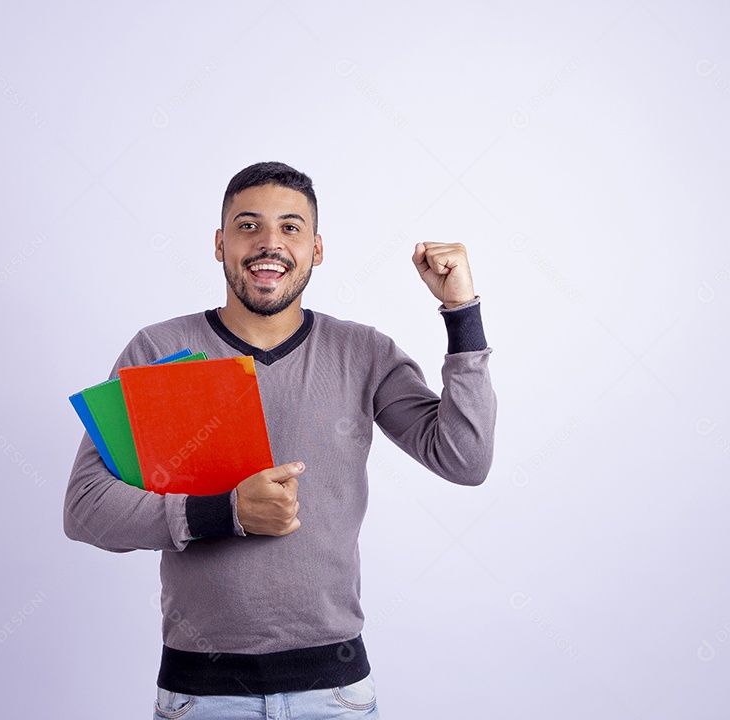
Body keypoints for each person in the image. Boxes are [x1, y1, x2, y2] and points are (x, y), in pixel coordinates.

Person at [64, 161, 497, 719]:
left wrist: (462, 313)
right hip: (201, 695)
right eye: (249, 226)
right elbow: (85, 509)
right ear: (220, 244)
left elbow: (465, 458)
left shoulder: (363, 352)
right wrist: (225, 513)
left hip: (335, 693)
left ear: (316, 249)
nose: (270, 243)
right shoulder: (156, 350)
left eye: (291, 228)